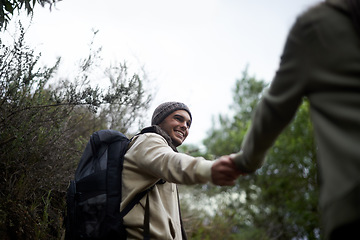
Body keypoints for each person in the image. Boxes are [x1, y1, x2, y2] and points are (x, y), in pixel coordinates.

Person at [231, 0, 360, 239]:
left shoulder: (317, 26)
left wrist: (244, 161)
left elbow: (274, 110)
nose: (184, 127)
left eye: (187, 121)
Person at [121, 101, 240, 239]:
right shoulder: (149, 140)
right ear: (159, 121)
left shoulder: (161, 151)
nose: (185, 126)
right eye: (178, 119)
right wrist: (209, 169)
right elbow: (171, 161)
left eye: (188, 124)